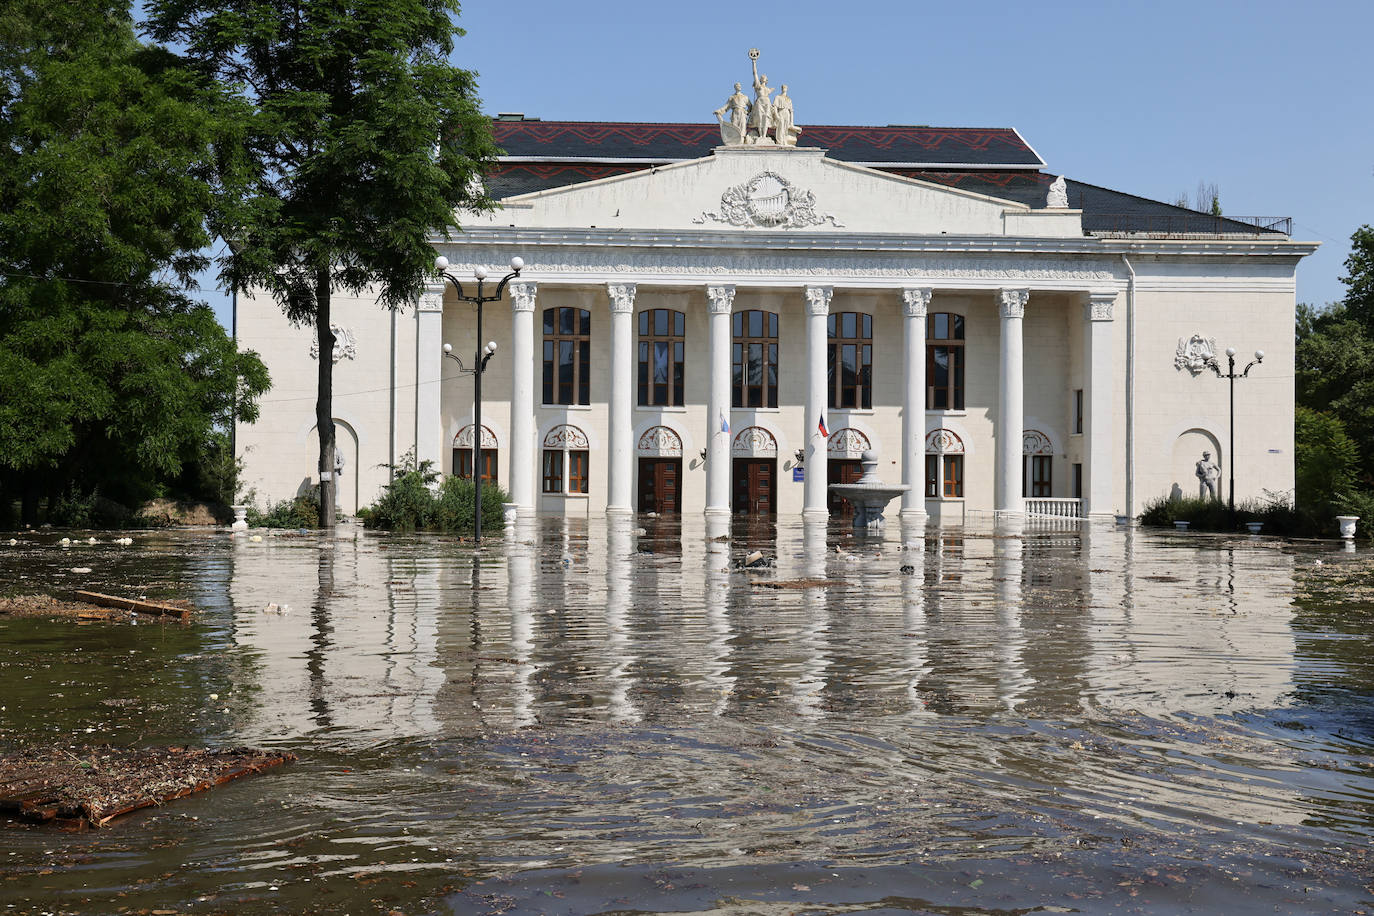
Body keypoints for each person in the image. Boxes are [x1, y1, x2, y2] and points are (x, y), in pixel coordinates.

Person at [749, 52, 773, 142]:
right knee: (759, 118)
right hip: (760, 101)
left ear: (766, 80)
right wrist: (754, 62)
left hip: (767, 102)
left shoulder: (768, 89)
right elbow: (755, 73)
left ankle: (764, 136)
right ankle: (761, 135)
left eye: (764, 77)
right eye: (762, 77)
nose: (763, 77)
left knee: (766, 118)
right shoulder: (758, 86)